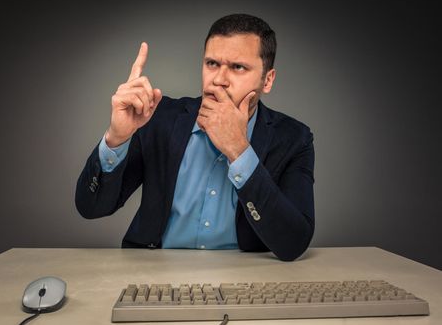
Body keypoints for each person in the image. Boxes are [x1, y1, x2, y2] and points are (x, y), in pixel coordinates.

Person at [75, 14, 315, 261]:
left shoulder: (294, 138)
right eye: (212, 63)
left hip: (243, 279)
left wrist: (239, 150)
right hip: (154, 274)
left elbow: (293, 243)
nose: (219, 80)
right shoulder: (157, 118)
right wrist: (117, 137)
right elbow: (91, 207)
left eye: (238, 67)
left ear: (267, 80)